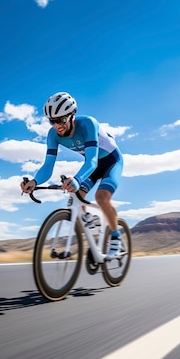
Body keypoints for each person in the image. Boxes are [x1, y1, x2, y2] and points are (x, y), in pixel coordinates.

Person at [20, 92, 124, 257]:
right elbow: (48, 166)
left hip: (111, 161)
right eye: (52, 121)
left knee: (102, 198)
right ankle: (89, 221)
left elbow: (92, 162)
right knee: (77, 195)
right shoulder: (53, 135)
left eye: (61, 120)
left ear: (72, 115)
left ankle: (116, 237)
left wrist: (76, 179)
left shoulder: (88, 124)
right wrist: (34, 181)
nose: (57, 126)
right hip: (93, 165)